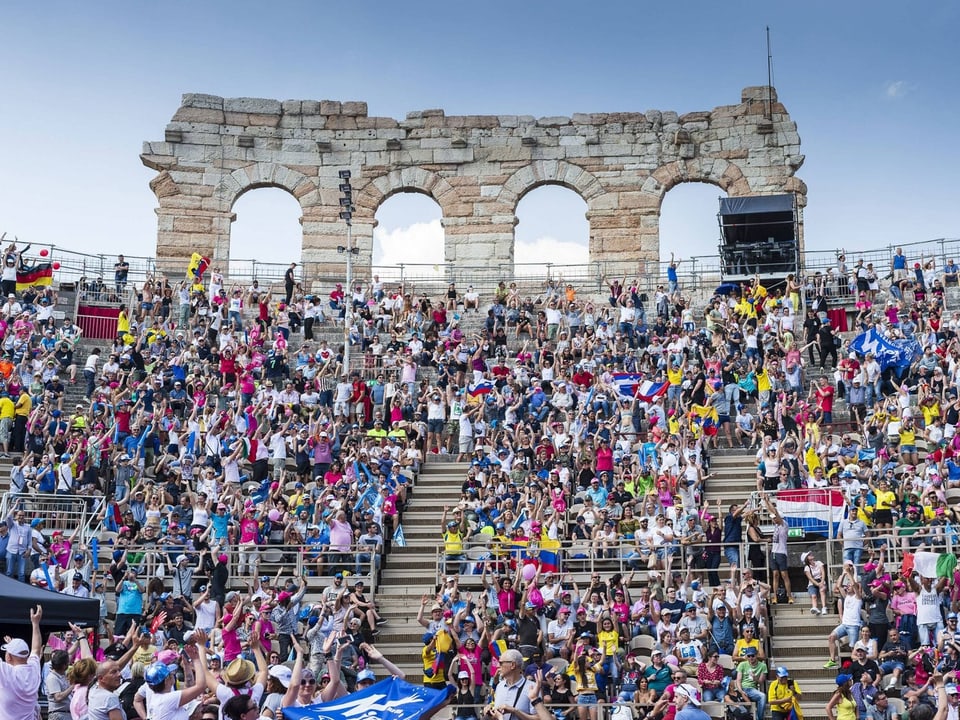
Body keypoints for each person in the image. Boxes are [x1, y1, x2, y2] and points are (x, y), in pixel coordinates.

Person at [0, 605, 43, 720]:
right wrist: (35, 624)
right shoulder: (34, 669)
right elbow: (36, 649)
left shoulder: (6, 673)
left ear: (8, 656)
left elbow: (35, 650)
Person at [762, 492, 793, 604]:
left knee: (784, 575)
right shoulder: (776, 524)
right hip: (774, 552)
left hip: (781, 552)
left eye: (776, 518)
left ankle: (789, 595)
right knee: (775, 575)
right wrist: (765, 501)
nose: (774, 519)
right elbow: (772, 512)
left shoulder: (784, 524)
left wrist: (769, 501)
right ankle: (775, 596)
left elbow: (774, 513)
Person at [493, 648, 533, 720]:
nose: (498, 666)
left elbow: (540, 718)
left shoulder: (532, 687)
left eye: (501, 663)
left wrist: (515, 711)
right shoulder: (499, 686)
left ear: (512, 665)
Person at [735, 646, 767, 720]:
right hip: (742, 688)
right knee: (762, 696)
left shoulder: (763, 666)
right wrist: (741, 691)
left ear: (756, 655)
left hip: (752, 689)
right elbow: (738, 680)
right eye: (748, 656)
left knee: (762, 696)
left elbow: (761, 682)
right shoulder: (742, 664)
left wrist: (755, 677)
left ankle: (759, 718)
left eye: (752, 655)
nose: (750, 658)